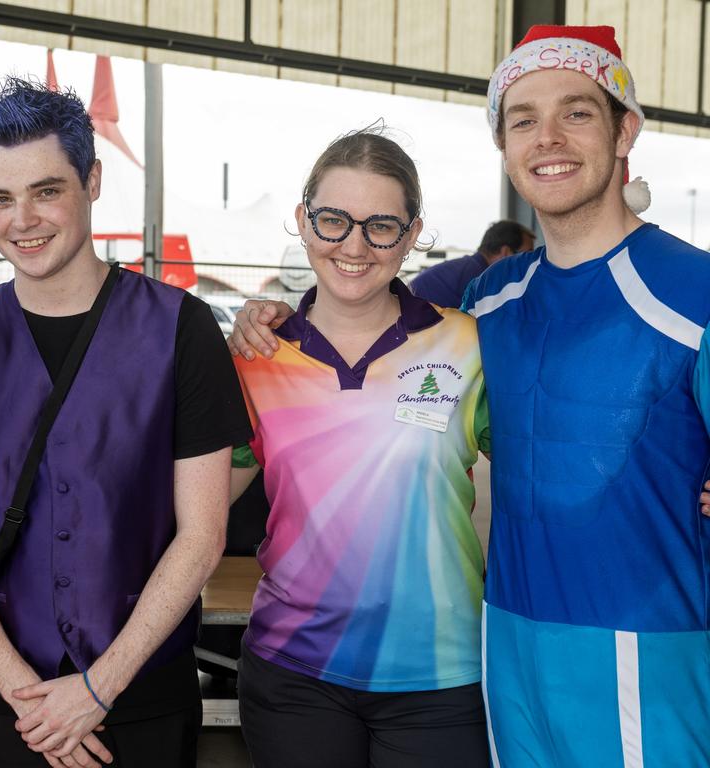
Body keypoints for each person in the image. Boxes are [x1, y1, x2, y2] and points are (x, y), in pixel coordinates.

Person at [231, 25, 710, 767]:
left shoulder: (694, 289)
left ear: (627, 131)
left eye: (577, 112)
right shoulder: (490, 302)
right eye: (523, 118)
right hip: (504, 647)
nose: (547, 136)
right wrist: (255, 318)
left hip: (645, 644)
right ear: (504, 144)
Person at [0, 77, 251, 768]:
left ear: (91, 181)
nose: (24, 219)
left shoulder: (181, 327)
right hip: (7, 698)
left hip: (142, 692)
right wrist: (29, 698)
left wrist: (98, 689)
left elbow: (203, 531)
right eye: (0, 199)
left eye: (47, 190)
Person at [229, 127, 490, 768]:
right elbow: (183, 507)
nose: (353, 246)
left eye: (381, 226)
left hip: (440, 674)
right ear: (302, 219)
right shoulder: (253, 358)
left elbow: (551, 464)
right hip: (294, 672)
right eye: (333, 220)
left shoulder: (468, 346)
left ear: (412, 233)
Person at [409, 220, 535, 307]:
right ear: (506, 252)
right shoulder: (479, 278)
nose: (530, 262)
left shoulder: (470, 268)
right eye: (527, 255)